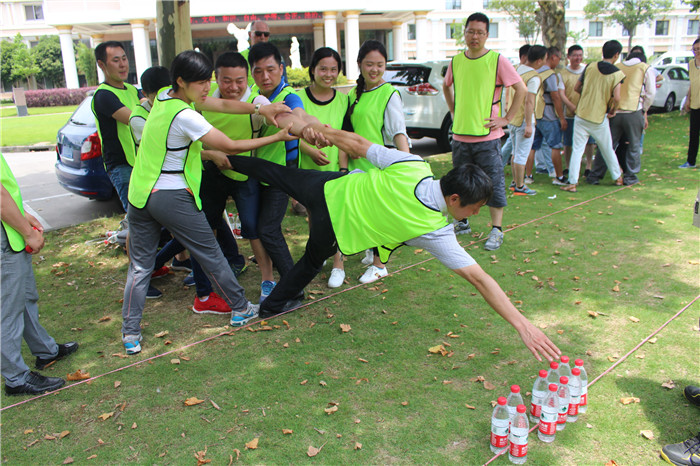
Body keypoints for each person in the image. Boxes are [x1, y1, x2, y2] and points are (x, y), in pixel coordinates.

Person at [225, 125, 562, 364]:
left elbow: (357, 144)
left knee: (275, 173)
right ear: (455, 197)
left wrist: (317, 129)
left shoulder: (414, 165)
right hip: (334, 221)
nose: (476, 213)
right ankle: (270, 308)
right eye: (474, 207)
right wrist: (523, 325)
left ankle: (223, 156)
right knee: (310, 263)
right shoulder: (435, 230)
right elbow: (479, 279)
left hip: (329, 188)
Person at [121, 50, 296, 355]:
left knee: (139, 266)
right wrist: (275, 137)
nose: (206, 88)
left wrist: (259, 110)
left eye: (207, 81)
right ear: (181, 81)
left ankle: (130, 334)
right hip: (169, 195)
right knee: (211, 253)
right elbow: (229, 146)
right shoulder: (186, 115)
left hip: (139, 193)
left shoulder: (164, 96)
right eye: (200, 83)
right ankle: (241, 308)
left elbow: (225, 104)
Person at [195, 51, 277, 312]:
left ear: (248, 78)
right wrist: (211, 154)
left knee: (252, 227)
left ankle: (268, 279)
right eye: (226, 80)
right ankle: (209, 285)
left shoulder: (258, 101)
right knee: (205, 227)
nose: (233, 87)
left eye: (239, 80)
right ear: (215, 79)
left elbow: (283, 116)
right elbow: (188, 144)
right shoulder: (202, 103)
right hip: (209, 170)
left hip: (244, 173)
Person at [248, 42, 325, 301]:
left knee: (268, 228)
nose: (265, 76)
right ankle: (273, 280)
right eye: (258, 71)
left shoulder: (288, 95)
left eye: (270, 69)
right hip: (257, 173)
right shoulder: (253, 98)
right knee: (259, 228)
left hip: (280, 174)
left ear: (281, 69)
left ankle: (293, 285)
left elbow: (299, 115)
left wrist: (310, 128)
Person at [443, 12, 527, 251]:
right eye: (471, 31)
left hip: (488, 138)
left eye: (480, 32)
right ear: (465, 33)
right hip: (460, 136)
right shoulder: (456, 61)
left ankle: (496, 230)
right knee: (458, 183)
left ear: (487, 35)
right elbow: (446, 86)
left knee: (494, 183)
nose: (474, 36)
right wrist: (453, 110)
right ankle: (462, 222)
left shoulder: (498, 60)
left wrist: (506, 119)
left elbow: (521, 90)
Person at [1, 153, 79, 395]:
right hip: (5, 237)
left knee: (24, 297)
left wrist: (21, 214)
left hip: (9, 232)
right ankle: (16, 378)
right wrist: (27, 232)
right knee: (8, 310)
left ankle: (45, 350)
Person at [344, 39, 410, 283]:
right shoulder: (353, 93)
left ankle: (380, 265)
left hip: (378, 166)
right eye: (369, 64)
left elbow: (398, 132)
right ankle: (372, 250)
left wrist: (407, 164)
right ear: (359, 64)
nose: (374, 69)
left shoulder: (389, 93)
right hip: (356, 165)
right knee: (362, 214)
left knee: (380, 216)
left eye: (380, 65)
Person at [296, 47, 349, 288]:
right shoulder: (299, 99)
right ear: (313, 70)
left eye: (333, 69)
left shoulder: (343, 99)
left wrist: (343, 169)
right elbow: (291, 133)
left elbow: (344, 136)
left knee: (335, 216)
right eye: (323, 69)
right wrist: (311, 151)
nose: (328, 74)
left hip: (333, 168)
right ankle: (320, 254)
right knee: (313, 215)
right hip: (307, 167)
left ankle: (338, 263)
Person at [561, 40, 625, 193]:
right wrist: (613, 109)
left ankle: (572, 183)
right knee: (606, 148)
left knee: (577, 149)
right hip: (598, 116)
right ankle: (618, 177)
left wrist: (587, 97)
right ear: (616, 55)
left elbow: (577, 87)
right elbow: (617, 97)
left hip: (581, 114)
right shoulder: (617, 74)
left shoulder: (590, 67)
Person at [586, 49, 655, 186]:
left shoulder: (617, 67)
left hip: (615, 111)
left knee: (606, 145)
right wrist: (644, 109)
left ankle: (595, 175)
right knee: (634, 145)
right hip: (634, 110)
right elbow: (651, 92)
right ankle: (630, 176)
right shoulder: (645, 68)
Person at [92, 41, 144, 213]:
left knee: (149, 220)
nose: (122, 64)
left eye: (124, 58)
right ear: (102, 64)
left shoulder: (132, 90)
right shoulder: (103, 95)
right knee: (137, 220)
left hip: (142, 163)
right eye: (115, 60)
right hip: (122, 166)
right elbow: (134, 119)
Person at [507, 45, 546, 196]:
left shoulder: (516, 69)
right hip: (524, 119)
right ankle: (520, 185)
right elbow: (530, 101)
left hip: (512, 118)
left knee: (515, 152)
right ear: (539, 60)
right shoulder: (533, 77)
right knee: (521, 153)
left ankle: (515, 182)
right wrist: (529, 124)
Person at [528, 46, 568, 187]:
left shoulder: (534, 73)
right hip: (549, 115)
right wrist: (561, 117)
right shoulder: (550, 75)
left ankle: (528, 176)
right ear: (553, 57)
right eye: (559, 58)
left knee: (532, 147)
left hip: (535, 114)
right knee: (555, 146)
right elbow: (555, 96)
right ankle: (559, 176)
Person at [561, 45, 595, 178]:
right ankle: (568, 167)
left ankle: (588, 167)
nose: (578, 58)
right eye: (575, 55)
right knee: (568, 142)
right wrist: (571, 106)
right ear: (569, 57)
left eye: (580, 55)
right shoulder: (563, 73)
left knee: (590, 142)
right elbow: (561, 93)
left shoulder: (587, 71)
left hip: (586, 113)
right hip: (569, 114)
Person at [501, 44, 532, 167]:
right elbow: (522, 92)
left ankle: (514, 178)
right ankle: (519, 183)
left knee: (513, 147)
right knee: (518, 151)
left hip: (514, 116)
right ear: (524, 57)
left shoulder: (516, 70)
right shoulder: (518, 71)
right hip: (518, 116)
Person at [680, 38, 700, 169]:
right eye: (695, 49)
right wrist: (688, 99)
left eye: (699, 49)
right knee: (694, 134)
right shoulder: (691, 64)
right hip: (695, 103)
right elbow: (692, 83)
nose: (697, 52)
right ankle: (690, 161)